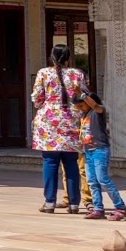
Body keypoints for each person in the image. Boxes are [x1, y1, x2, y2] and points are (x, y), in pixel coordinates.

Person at [31, 45, 87, 213]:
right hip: (71, 121)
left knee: (50, 162)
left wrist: (45, 106)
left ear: (52, 56)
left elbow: (36, 97)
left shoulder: (43, 73)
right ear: (68, 57)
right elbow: (83, 96)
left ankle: (49, 202)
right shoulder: (77, 74)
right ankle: (74, 203)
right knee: (71, 163)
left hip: (48, 123)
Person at [78, 91, 126, 220]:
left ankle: (120, 207)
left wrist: (81, 93)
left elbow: (95, 106)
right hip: (88, 151)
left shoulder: (98, 111)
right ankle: (98, 209)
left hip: (100, 150)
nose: (79, 109)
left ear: (88, 102)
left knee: (103, 179)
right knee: (92, 181)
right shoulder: (85, 115)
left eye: (81, 105)